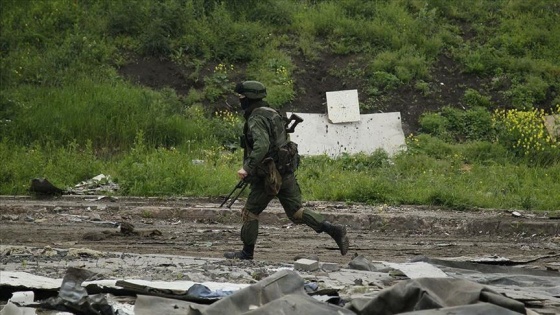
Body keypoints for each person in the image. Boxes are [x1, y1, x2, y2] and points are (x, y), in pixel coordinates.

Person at [224, 80, 350, 260]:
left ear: (249, 98)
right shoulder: (272, 113)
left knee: (250, 212)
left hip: (269, 176)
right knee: (296, 212)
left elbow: (262, 146)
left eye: (242, 97)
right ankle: (334, 229)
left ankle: (246, 253)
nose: (240, 101)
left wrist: (247, 168)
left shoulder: (256, 118)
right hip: (285, 170)